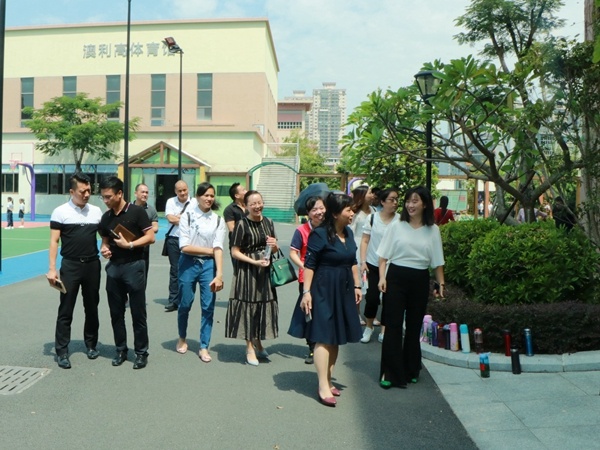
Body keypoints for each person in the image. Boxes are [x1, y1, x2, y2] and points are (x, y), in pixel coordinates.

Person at [288, 193, 362, 407]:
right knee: (323, 336)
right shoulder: (320, 234)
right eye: (348, 209)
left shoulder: (348, 232)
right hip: (322, 289)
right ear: (336, 213)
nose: (352, 213)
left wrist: (357, 285)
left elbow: (352, 261)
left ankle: (328, 380)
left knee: (336, 336)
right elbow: (309, 265)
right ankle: (322, 385)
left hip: (343, 289)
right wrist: (306, 292)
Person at [377, 186, 445, 389]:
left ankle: (411, 368)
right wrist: (382, 278)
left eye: (415, 201)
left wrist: (441, 284)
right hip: (396, 278)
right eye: (408, 201)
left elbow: (438, 262)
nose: (410, 205)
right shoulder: (396, 225)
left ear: (425, 204)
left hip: (419, 279)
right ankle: (389, 372)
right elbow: (383, 256)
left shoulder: (433, 230)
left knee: (414, 327)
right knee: (393, 325)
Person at [99, 176, 155, 370]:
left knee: (138, 313)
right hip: (114, 268)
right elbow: (105, 240)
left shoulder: (137, 212)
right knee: (116, 313)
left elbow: (150, 237)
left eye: (108, 197)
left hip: (134, 266)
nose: (105, 201)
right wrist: (104, 249)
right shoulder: (106, 217)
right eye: (103, 197)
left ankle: (141, 353)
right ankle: (121, 350)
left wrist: (130, 245)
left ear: (120, 193)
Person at [47, 173, 103, 369]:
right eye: (82, 191)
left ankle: (91, 345)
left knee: (92, 307)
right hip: (70, 266)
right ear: (72, 191)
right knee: (66, 309)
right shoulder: (60, 212)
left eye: (89, 191)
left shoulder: (96, 211)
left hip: (92, 265)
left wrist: (105, 245)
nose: (86, 194)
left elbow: (104, 235)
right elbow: (54, 241)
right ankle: (62, 351)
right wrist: (52, 269)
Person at [225, 190, 279, 366]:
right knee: (248, 307)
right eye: (253, 204)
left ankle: (258, 341)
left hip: (265, 271)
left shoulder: (269, 222)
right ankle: (249, 347)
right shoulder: (242, 224)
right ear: (246, 206)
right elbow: (235, 252)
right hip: (247, 271)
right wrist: (254, 262)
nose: (257, 206)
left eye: (259, 202)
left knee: (262, 306)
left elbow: (274, 249)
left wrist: (274, 246)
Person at [176, 182, 226, 362]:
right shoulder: (187, 216)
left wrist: (219, 274)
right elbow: (184, 246)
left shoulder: (218, 220)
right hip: (188, 263)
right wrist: (210, 250)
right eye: (205, 195)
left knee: (208, 307)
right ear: (197, 197)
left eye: (212, 195)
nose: (209, 198)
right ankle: (182, 337)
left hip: (209, 266)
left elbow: (219, 247)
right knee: (185, 303)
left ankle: (204, 346)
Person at [359, 188, 400, 344]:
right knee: (372, 297)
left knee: (389, 299)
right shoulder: (372, 218)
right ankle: (369, 327)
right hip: (373, 264)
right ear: (382, 202)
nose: (395, 202)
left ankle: (384, 330)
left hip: (393, 265)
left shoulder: (401, 220)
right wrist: (363, 261)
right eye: (391, 199)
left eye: (396, 199)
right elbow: (365, 241)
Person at [289, 196, 326, 364]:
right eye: (314, 210)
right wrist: (304, 266)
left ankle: (324, 344)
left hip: (326, 277)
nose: (319, 212)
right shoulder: (301, 230)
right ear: (308, 213)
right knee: (309, 312)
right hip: (307, 278)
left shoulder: (330, 228)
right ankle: (312, 347)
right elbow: (293, 253)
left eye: (321, 208)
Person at [164, 180, 195, 312]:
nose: (182, 193)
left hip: (189, 240)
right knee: (175, 270)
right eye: (179, 191)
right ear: (175, 191)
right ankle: (173, 300)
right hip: (173, 240)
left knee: (189, 270)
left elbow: (195, 221)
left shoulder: (194, 202)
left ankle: (186, 298)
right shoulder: (171, 202)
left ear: (188, 189)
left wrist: (179, 218)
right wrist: (185, 219)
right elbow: (170, 219)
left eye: (184, 190)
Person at [349, 185, 375, 323]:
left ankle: (371, 315)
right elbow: (350, 232)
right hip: (359, 248)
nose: (372, 195)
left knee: (372, 283)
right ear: (362, 196)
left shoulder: (374, 211)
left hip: (373, 248)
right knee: (359, 282)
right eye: (370, 193)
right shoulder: (356, 214)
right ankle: (356, 313)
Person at [134, 183, 159, 286]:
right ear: (136, 193)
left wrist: (143, 230)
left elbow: (155, 228)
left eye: (147, 192)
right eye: (142, 192)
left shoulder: (151, 210)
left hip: (144, 247)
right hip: (129, 247)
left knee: (143, 275)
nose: (145, 194)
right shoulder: (128, 208)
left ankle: (141, 294)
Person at [222, 182, 248, 267]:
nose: (246, 191)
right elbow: (232, 229)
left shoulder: (250, 206)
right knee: (239, 271)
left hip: (251, 245)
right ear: (236, 195)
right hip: (237, 246)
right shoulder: (229, 210)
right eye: (243, 190)